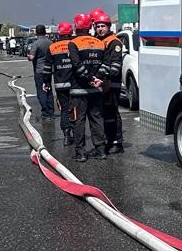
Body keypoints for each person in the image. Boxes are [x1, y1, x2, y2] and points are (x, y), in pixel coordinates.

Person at [67, 12, 106, 162]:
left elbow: (77, 65)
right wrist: (98, 79)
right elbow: (103, 64)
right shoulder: (99, 43)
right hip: (96, 89)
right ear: (90, 26)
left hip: (79, 90)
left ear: (76, 26)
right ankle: (100, 150)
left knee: (78, 121)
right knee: (96, 119)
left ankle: (81, 152)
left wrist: (89, 79)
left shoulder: (74, 43)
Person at [92, 9, 125, 154]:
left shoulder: (114, 42)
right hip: (101, 83)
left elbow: (115, 67)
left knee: (112, 113)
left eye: (103, 26)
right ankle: (108, 140)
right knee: (104, 114)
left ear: (109, 26)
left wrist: (100, 77)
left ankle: (117, 143)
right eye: (98, 26)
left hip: (111, 84)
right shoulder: (98, 41)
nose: (100, 29)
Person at [47, 21, 76, 145]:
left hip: (60, 84)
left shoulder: (53, 47)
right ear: (70, 33)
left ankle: (66, 136)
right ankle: (76, 133)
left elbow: (47, 68)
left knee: (64, 109)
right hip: (74, 84)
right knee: (75, 108)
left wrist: (46, 82)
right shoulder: (75, 44)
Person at [29, 24, 55, 120]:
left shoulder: (36, 43)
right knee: (49, 90)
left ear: (36, 32)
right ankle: (51, 111)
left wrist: (29, 56)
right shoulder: (50, 42)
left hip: (39, 70)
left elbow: (31, 57)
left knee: (41, 92)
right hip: (49, 70)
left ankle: (45, 112)